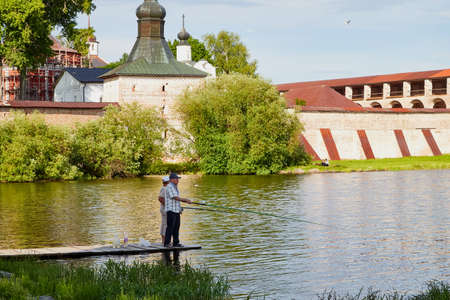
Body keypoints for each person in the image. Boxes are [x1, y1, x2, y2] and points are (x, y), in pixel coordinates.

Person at [164, 173, 192, 248]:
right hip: (171, 211)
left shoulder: (174, 187)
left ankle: (176, 243)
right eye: (176, 179)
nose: (177, 180)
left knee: (176, 227)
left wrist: (179, 209)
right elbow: (175, 198)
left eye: (178, 179)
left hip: (176, 211)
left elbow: (177, 201)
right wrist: (185, 200)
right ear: (171, 179)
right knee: (170, 227)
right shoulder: (169, 186)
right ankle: (167, 243)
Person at [159, 176, 170, 244]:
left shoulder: (166, 188)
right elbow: (160, 199)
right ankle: (164, 241)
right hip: (165, 209)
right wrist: (168, 205)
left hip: (165, 209)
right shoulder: (164, 188)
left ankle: (164, 241)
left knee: (165, 224)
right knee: (165, 224)